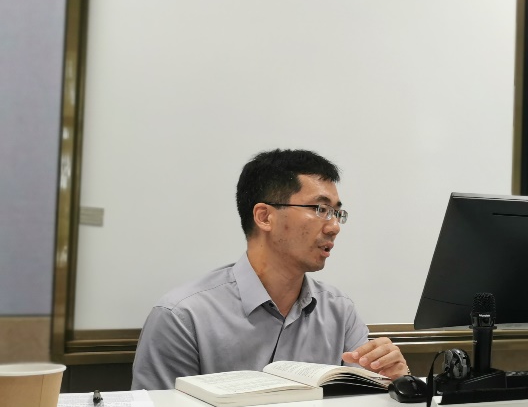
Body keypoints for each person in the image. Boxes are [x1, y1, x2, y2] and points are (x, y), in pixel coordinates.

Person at [131, 149, 407, 390]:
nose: (334, 227)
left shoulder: (339, 311)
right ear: (264, 217)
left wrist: (393, 379)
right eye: (320, 209)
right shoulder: (183, 316)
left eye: (337, 213)